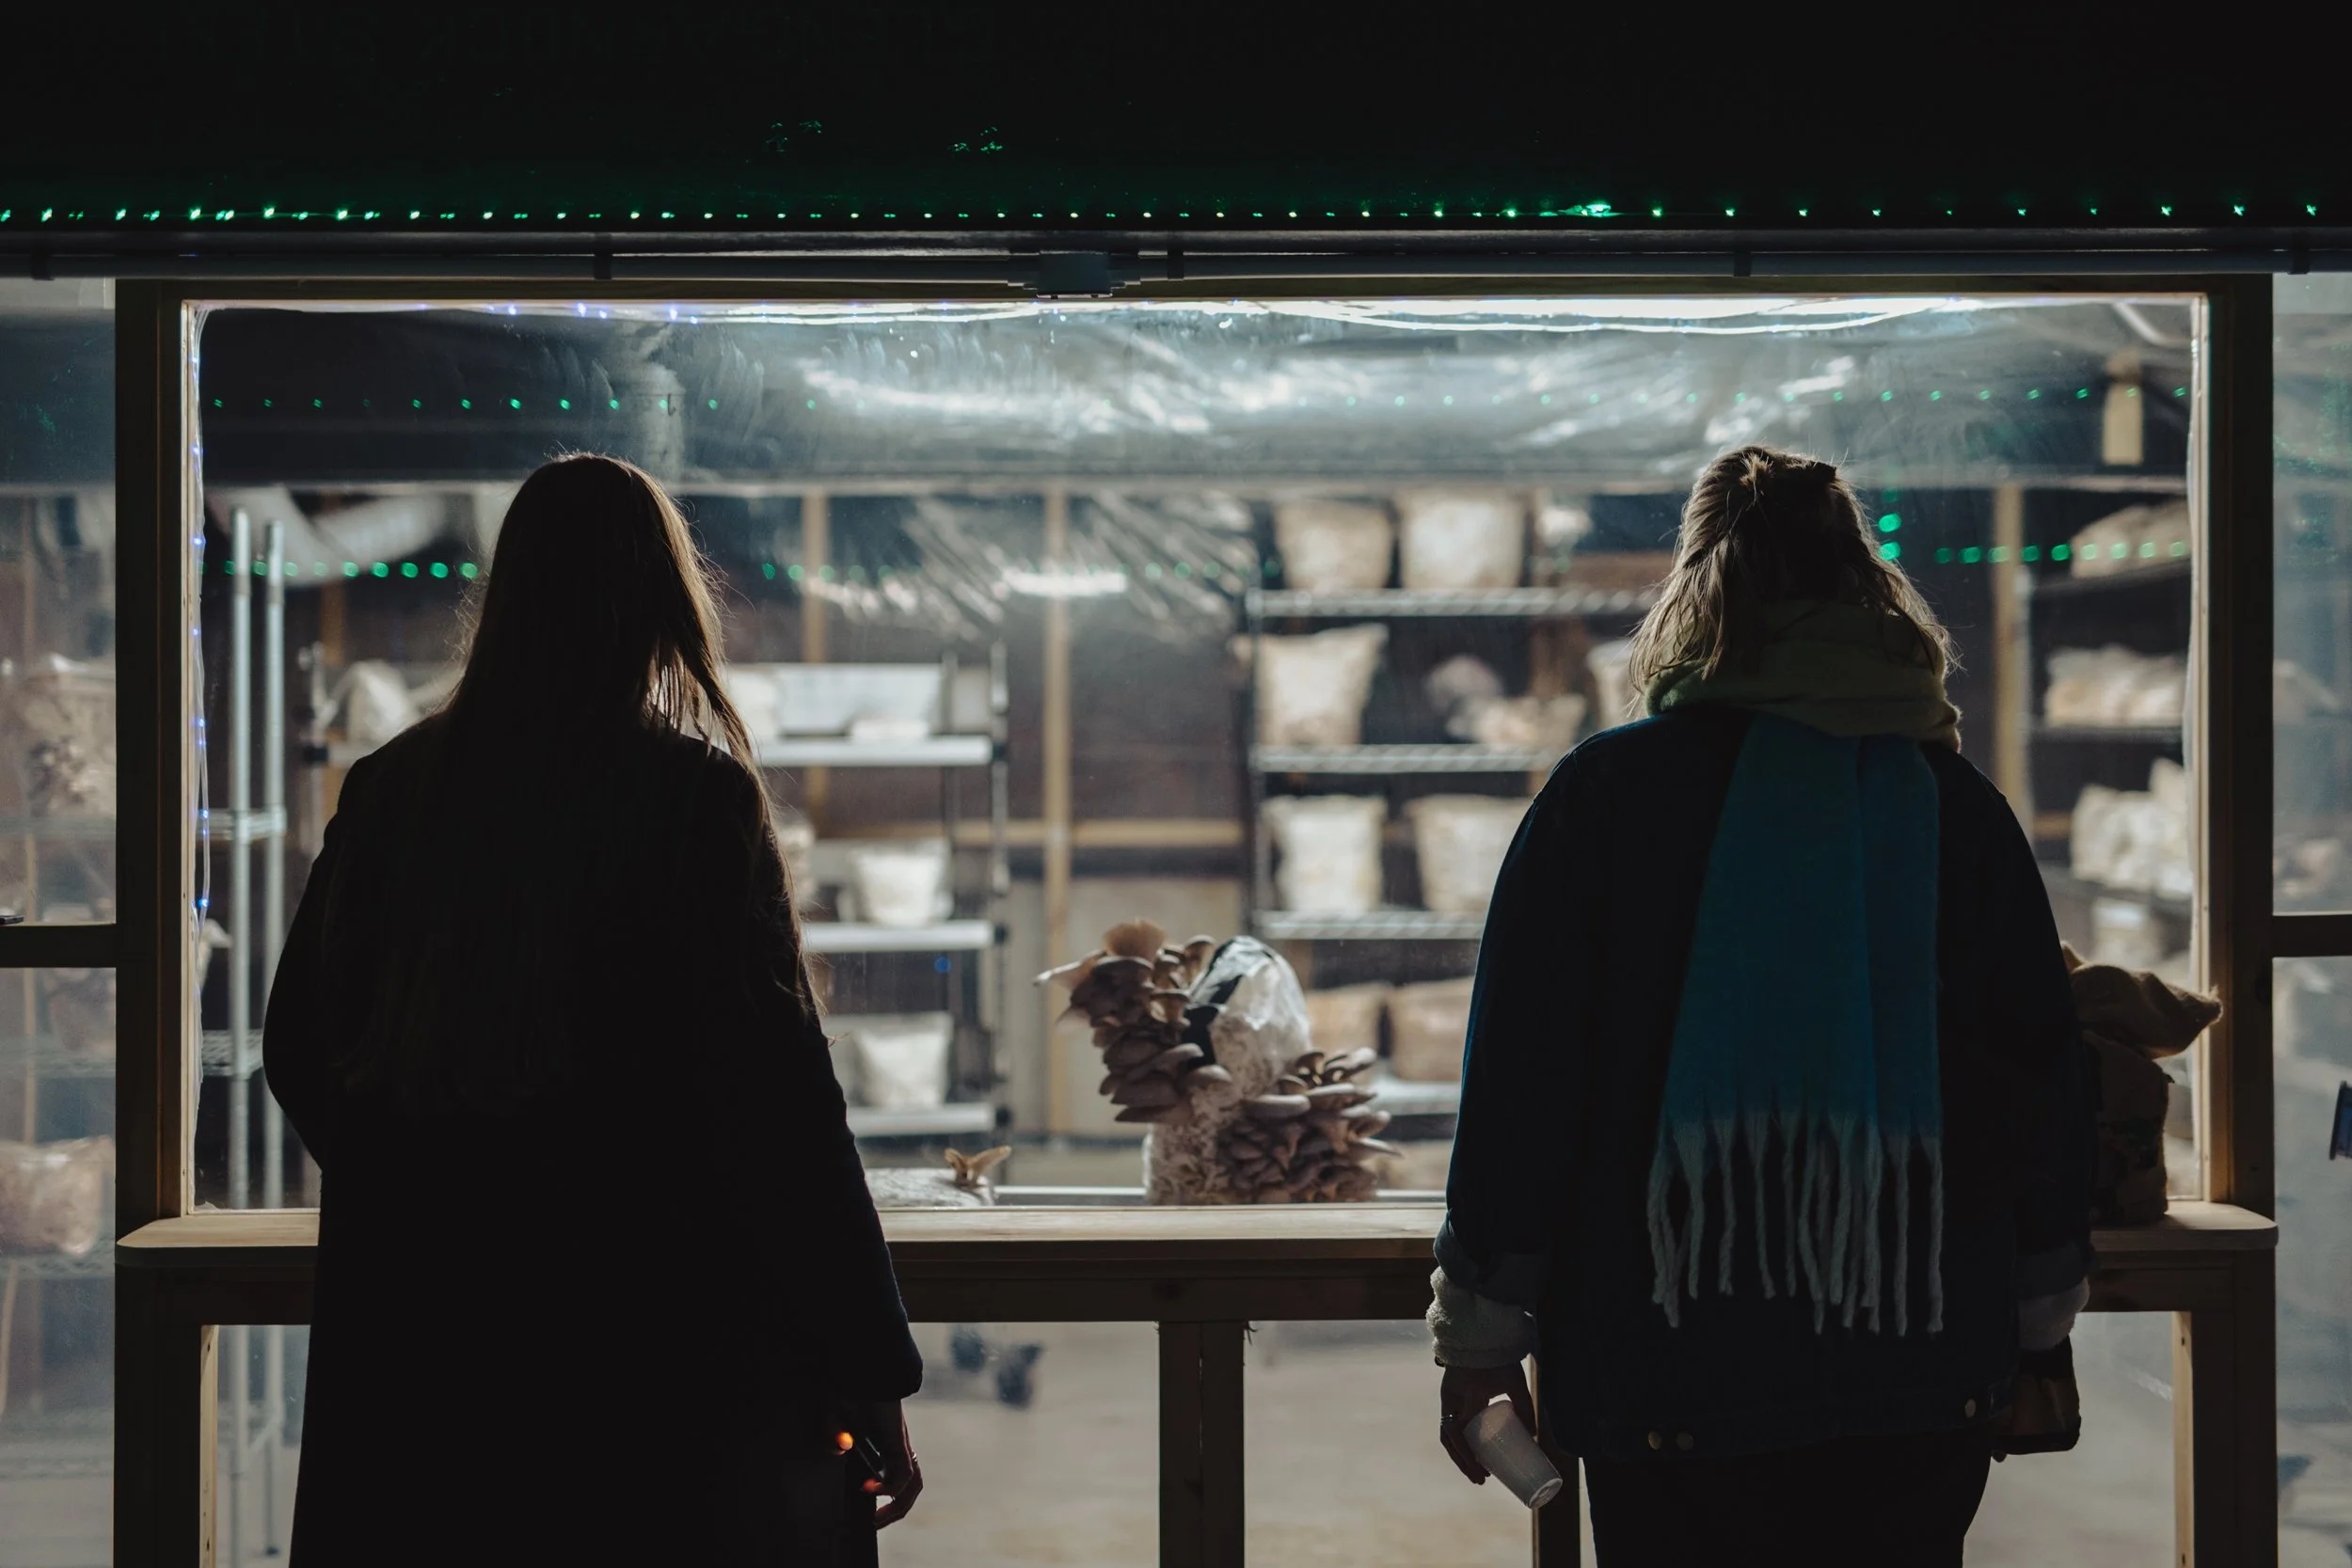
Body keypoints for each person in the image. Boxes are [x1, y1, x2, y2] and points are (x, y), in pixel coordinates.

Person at [1429, 446, 2094, 1566]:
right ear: (1865, 587)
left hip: (1666, 1360)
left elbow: (1522, 1081)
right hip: (1922, 1355)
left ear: (1699, 595)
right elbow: (2036, 1073)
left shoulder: (1605, 795)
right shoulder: (1952, 807)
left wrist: (1483, 1335)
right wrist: (2036, 1317)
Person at [265, 454, 924, 1564]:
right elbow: (781, 1114)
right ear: (662, 605)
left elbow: (297, 1045)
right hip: (659, 1342)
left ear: (507, 594)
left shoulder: (395, 789)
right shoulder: (694, 803)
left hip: (436, 1344)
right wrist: (870, 1369)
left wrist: (422, 1179)